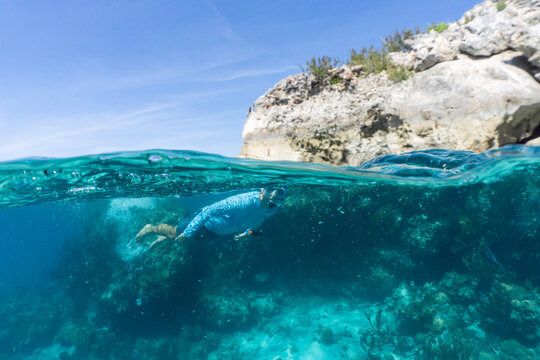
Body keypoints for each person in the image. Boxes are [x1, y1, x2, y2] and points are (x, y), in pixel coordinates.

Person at [135, 188, 286, 249]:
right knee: (176, 233)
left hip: (217, 232)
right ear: (262, 190)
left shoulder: (272, 209)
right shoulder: (242, 202)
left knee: (179, 239)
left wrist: (247, 233)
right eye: (267, 196)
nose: (270, 203)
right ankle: (150, 229)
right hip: (207, 223)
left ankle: (164, 237)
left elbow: (258, 220)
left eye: (275, 200)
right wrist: (188, 232)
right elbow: (208, 211)